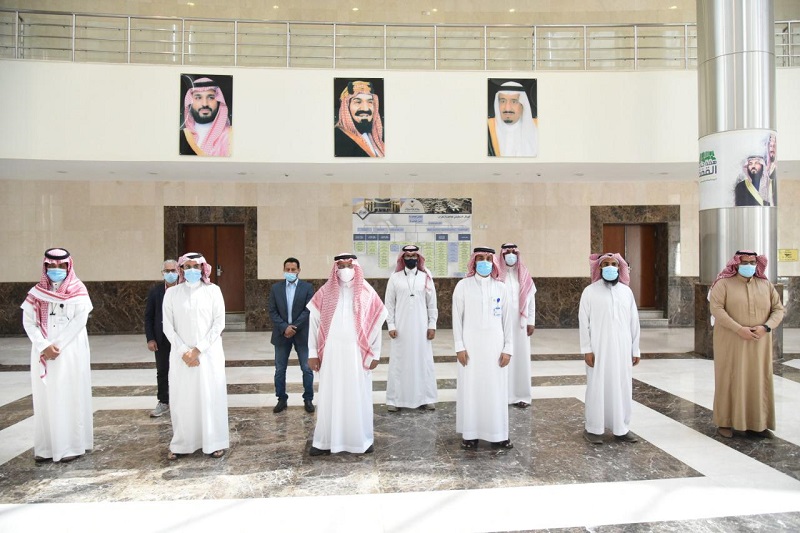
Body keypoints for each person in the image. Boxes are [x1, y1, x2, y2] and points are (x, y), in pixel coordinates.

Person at [307, 253, 387, 456]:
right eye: (341, 266)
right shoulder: (325, 292)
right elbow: (314, 324)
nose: (345, 270)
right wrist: (313, 352)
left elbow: (377, 323)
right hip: (331, 353)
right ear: (335, 268)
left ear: (356, 267)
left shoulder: (367, 292)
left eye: (349, 266)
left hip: (356, 354)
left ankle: (361, 440)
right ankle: (324, 441)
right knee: (329, 395)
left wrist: (376, 352)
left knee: (357, 395)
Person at [21, 248, 93, 463]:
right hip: (43, 352)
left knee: (70, 395)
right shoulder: (36, 293)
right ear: (45, 267)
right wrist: (44, 346)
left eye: (61, 266)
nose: (56, 269)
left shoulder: (78, 290)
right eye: (52, 266)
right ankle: (47, 447)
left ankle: (71, 446)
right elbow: (28, 322)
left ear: (68, 266)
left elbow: (80, 321)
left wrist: (57, 346)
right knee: (45, 398)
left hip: (70, 352)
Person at [709, 250, 784, 439]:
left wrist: (766, 327)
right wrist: (739, 329)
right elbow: (716, 309)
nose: (749, 266)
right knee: (729, 378)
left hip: (759, 343)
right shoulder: (723, 284)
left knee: (758, 379)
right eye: (745, 262)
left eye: (752, 262)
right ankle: (724, 422)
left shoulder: (766, 285)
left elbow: (778, 309)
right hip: (731, 342)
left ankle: (758, 424)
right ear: (736, 264)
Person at [162, 252, 229, 460]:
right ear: (181, 270)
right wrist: (184, 351)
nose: (192, 270)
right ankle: (182, 444)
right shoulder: (172, 294)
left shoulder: (213, 291)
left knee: (210, 397)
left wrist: (198, 350)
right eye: (187, 266)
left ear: (202, 268)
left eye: (196, 266)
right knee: (183, 400)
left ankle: (214, 442)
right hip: (181, 358)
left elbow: (219, 323)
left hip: (208, 356)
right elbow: (168, 326)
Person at [452, 246, 514, 450]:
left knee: (496, 389)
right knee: (471, 388)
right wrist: (459, 347)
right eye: (481, 258)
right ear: (474, 261)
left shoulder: (501, 288)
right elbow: (456, 318)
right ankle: (470, 435)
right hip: (470, 347)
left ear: (493, 262)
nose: (485, 262)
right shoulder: (463, 286)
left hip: (496, 346)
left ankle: (498, 434)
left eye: (489, 258)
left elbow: (508, 320)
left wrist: (508, 348)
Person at [579, 252, 641, 445]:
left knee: (622, 386)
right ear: (599, 267)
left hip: (622, 349)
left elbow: (634, 322)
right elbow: (583, 322)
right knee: (597, 386)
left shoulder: (626, 292)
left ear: (620, 267)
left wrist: (635, 349)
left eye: (614, 264)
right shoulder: (589, 291)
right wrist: (587, 349)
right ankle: (593, 428)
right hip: (599, 349)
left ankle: (621, 428)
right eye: (605, 264)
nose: (610, 267)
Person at [384, 245, 438, 412]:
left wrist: (432, 325)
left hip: (422, 329)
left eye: (414, 255)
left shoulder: (426, 277)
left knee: (423, 361)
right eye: (407, 256)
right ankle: (395, 400)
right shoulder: (394, 278)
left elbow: (432, 304)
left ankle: (426, 398)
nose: (410, 258)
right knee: (399, 362)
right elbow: (389, 304)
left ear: (418, 258)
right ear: (402, 258)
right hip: (400, 329)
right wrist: (391, 325)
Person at [268, 257, 315, 414]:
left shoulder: (307, 288)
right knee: (280, 369)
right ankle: (281, 399)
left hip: (302, 333)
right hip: (281, 334)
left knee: (307, 368)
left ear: (298, 270)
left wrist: (293, 327)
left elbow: (308, 310)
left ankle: (308, 399)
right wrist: (284, 327)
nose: (290, 272)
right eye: (287, 269)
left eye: (293, 270)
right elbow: (272, 311)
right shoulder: (276, 288)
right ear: (284, 270)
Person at [497, 243, 536, 408]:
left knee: (520, 359)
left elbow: (531, 300)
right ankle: (502, 395)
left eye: (514, 252)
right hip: (500, 325)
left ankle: (521, 395)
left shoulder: (524, 274)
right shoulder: (496, 275)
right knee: (501, 358)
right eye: (507, 252)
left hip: (520, 325)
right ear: (502, 255)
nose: (511, 255)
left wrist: (531, 321)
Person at [144, 259, 179, 418]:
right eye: (167, 271)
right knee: (163, 370)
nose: (170, 274)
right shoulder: (155, 291)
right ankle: (163, 401)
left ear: (179, 272)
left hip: (181, 338)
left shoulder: (183, 289)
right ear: (162, 273)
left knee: (181, 371)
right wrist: (150, 338)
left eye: (173, 270)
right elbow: (149, 317)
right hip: (161, 338)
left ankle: (181, 401)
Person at [180, 77, 232, 157]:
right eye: (198, 98)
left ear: (219, 101)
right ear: (190, 102)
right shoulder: (181, 136)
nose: (205, 104)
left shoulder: (231, 135)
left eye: (211, 97)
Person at [334, 80, 385, 157]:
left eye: (370, 102)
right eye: (358, 102)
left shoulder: (381, 135)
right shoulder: (337, 138)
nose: (365, 108)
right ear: (346, 108)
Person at [488, 81, 538, 157]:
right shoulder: (487, 127)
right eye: (502, 101)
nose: (507, 108)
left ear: (523, 105)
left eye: (514, 101)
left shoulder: (538, 127)